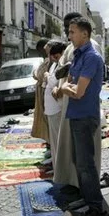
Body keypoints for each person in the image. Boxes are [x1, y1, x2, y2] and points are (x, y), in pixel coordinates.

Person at [53, 12, 103, 196]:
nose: (69, 35)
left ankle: (92, 202)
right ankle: (83, 191)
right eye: (68, 30)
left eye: (72, 30)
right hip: (74, 110)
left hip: (83, 111)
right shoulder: (77, 52)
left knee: (85, 161)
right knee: (78, 159)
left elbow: (79, 90)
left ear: (84, 33)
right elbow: (67, 74)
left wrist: (64, 88)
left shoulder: (91, 54)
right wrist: (64, 86)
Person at [44, 40, 68, 168]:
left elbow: (53, 81)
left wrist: (48, 76)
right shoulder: (55, 64)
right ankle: (56, 165)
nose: (52, 58)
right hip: (51, 108)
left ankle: (60, 167)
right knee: (54, 141)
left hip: (56, 107)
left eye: (55, 56)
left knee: (58, 140)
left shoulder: (62, 63)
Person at [31, 38, 51, 143]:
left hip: (45, 93)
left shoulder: (50, 61)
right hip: (41, 93)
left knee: (47, 118)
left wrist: (35, 74)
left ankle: (50, 141)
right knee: (44, 118)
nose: (40, 53)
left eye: (40, 50)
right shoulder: (45, 61)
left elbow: (41, 75)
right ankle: (48, 140)